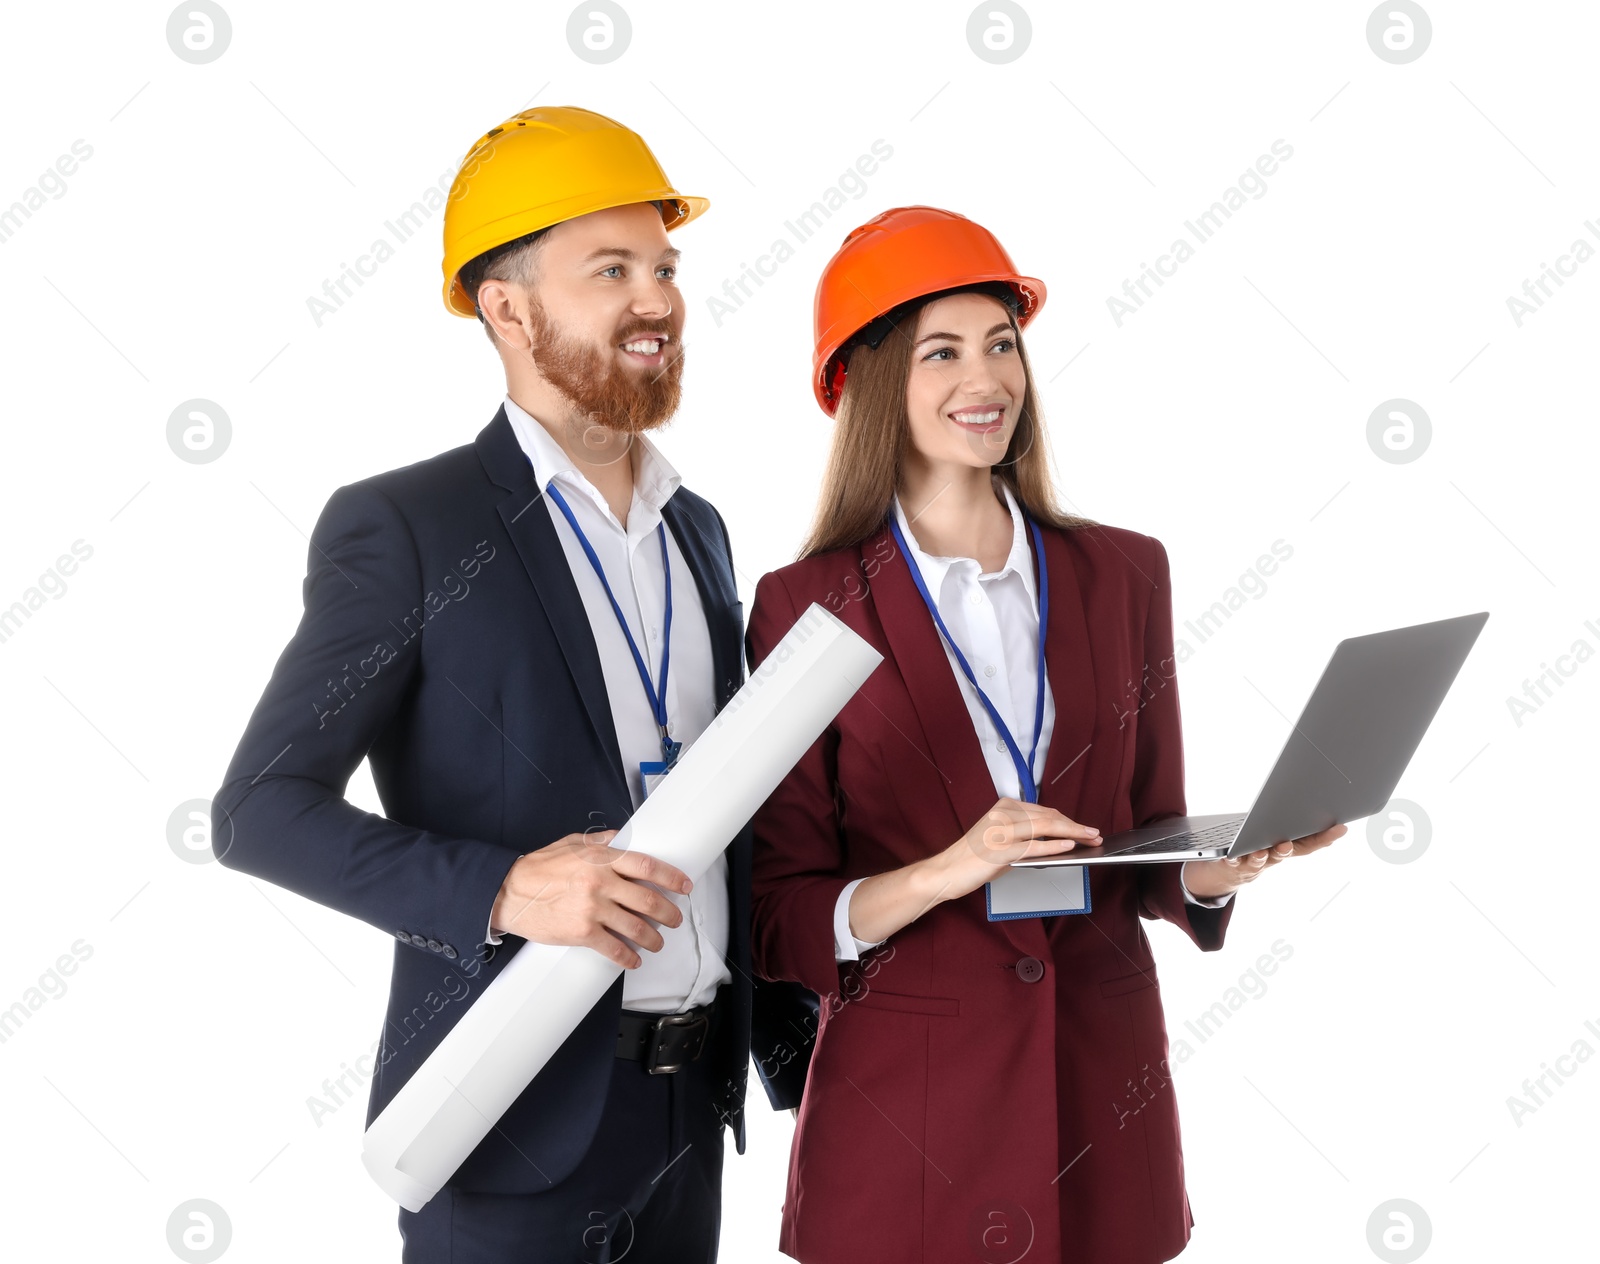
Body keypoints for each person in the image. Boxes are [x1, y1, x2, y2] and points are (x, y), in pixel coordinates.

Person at [211, 106, 807, 1263]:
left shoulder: (702, 532)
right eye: (611, 271)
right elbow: (257, 810)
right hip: (506, 1119)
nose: (659, 300)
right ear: (507, 306)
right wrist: (503, 891)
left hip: (688, 1120)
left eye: (665, 267)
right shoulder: (408, 527)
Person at [744, 206, 1347, 1264]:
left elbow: (1145, 830)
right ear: (876, 383)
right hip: (909, 1134)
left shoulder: (1123, 571)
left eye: (1001, 344)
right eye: (943, 352)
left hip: (1100, 1106)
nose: (987, 379)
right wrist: (947, 869)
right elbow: (780, 910)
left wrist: (1209, 872)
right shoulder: (809, 603)